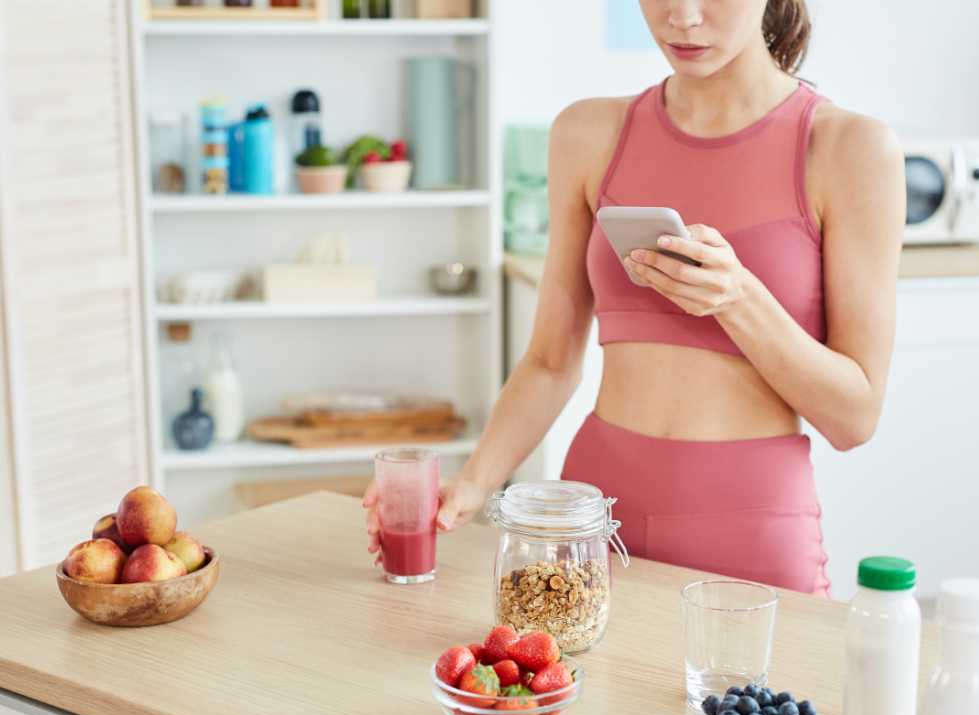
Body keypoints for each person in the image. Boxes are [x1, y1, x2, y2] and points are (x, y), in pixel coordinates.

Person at [366, 0, 904, 595]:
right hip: (592, 515)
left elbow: (855, 418)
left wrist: (738, 298)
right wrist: (473, 483)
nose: (683, 17)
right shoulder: (588, 133)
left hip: (752, 522)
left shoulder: (850, 148)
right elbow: (550, 361)